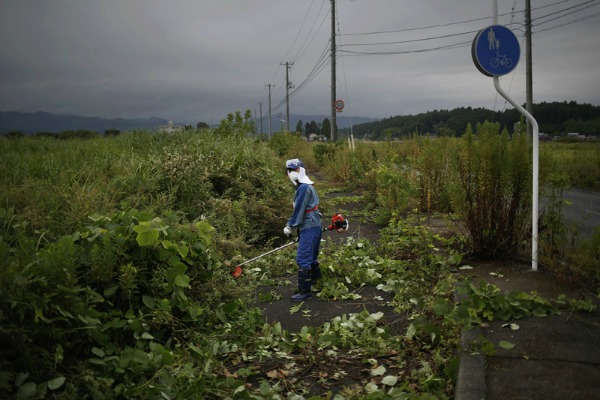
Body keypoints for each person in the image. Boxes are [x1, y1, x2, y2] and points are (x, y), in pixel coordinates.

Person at [284, 159, 322, 301]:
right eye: (292, 170)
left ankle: (305, 292)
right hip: (314, 225)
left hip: (309, 226)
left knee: (303, 258)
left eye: (296, 170)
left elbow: (299, 211)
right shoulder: (306, 186)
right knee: (311, 256)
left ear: (301, 170)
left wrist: (290, 226)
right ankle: (317, 281)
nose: (294, 173)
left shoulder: (304, 188)